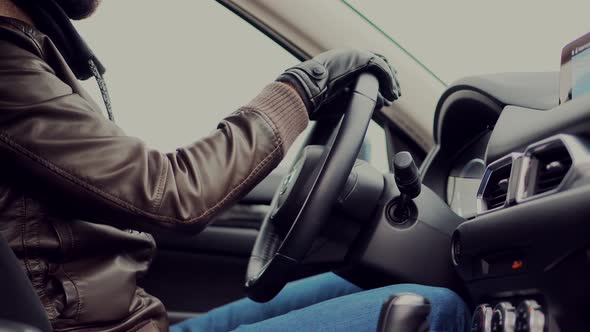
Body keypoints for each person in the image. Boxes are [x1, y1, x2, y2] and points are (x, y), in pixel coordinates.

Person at [0, 0, 470, 331]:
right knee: (436, 309)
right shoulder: (6, 67)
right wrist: (303, 88)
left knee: (372, 284)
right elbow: (172, 192)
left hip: (132, 320)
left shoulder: (27, 54)